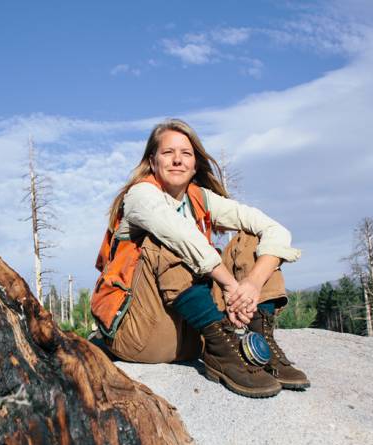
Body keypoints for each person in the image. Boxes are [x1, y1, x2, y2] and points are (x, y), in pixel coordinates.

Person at [91, 119, 308, 398]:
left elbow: (276, 230)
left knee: (252, 239)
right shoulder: (140, 196)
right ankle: (222, 349)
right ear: (152, 161)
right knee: (167, 240)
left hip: (193, 332)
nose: (178, 160)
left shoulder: (200, 199)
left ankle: (258, 346)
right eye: (168, 153)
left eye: (186, 153)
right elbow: (179, 233)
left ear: (195, 165)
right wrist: (231, 285)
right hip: (143, 333)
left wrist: (251, 285)